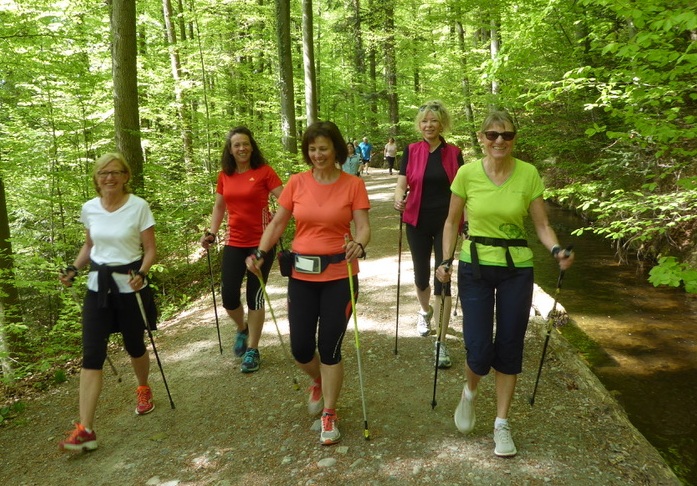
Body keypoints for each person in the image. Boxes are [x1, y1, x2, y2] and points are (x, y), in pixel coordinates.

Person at [436, 109, 575, 458]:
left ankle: (501, 423)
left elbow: (541, 225)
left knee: (510, 347)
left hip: (517, 269)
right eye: (493, 135)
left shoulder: (528, 174)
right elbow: (452, 222)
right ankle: (470, 392)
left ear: (514, 139)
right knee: (479, 348)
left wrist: (556, 249)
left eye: (507, 135)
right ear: (482, 139)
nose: (500, 141)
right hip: (475, 267)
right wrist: (445, 259)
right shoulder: (467, 174)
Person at [246, 121, 370, 445]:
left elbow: (364, 226)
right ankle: (318, 379)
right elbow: (278, 223)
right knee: (301, 349)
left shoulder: (353, 184)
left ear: (337, 150)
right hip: (301, 276)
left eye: (324, 148)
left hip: (340, 275)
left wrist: (359, 242)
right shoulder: (297, 183)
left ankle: (330, 411)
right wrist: (260, 252)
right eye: (312, 149)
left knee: (329, 346)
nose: (318, 154)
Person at [58, 152, 158, 452]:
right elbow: (90, 245)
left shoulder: (138, 206)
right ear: (96, 178)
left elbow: (150, 249)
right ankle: (86, 429)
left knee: (134, 346)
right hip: (96, 288)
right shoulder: (89, 208)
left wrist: (142, 272)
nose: (109, 177)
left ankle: (143, 388)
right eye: (103, 173)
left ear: (126, 176)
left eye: (115, 172)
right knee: (92, 354)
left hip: (129, 285)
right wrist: (74, 268)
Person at [200, 126, 283, 373]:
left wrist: (274, 227)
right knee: (228, 297)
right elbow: (219, 207)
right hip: (234, 242)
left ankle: (252, 350)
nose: (242, 148)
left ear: (252, 146)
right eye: (236, 145)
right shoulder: (224, 175)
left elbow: (287, 200)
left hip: (261, 243)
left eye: (245, 144)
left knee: (254, 296)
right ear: (230, 150)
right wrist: (212, 233)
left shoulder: (264, 172)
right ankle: (242, 328)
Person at [393, 100, 463, 369]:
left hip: (446, 222)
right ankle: (425, 312)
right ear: (419, 125)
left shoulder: (454, 153)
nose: (429, 125)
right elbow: (402, 185)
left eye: (434, 121)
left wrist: (465, 223)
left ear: (442, 123)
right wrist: (398, 199)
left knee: (442, 275)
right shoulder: (411, 151)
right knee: (421, 275)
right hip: (416, 221)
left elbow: (463, 190)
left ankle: (441, 342)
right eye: (424, 121)